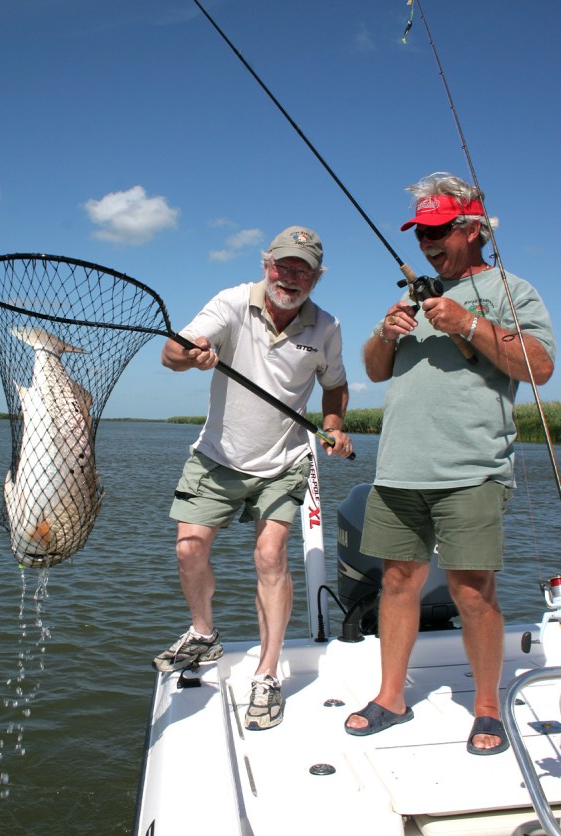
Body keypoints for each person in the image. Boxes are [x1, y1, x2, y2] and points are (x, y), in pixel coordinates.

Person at [345, 172, 555, 754]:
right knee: (396, 581)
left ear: (473, 229)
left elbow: (539, 367)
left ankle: (487, 708)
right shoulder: (416, 294)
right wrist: (385, 334)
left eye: (438, 230)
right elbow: (376, 370)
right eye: (420, 233)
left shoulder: (513, 290)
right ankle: (391, 697)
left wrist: (468, 323)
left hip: (471, 469)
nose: (427, 243)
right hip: (398, 467)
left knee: (472, 590)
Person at [152, 226, 353, 731]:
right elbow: (172, 354)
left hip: (284, 460)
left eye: (302, 270)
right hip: (217, 455)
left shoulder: (327, 327)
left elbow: (335, 385)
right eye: (283, 266)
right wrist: (191, 354)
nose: (290, 277)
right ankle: (203, 633)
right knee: (188, 549)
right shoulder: (232, 302)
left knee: (270, 556)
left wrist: (333, 426)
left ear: (316, 278)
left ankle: (266, 674)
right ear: (266, 265)